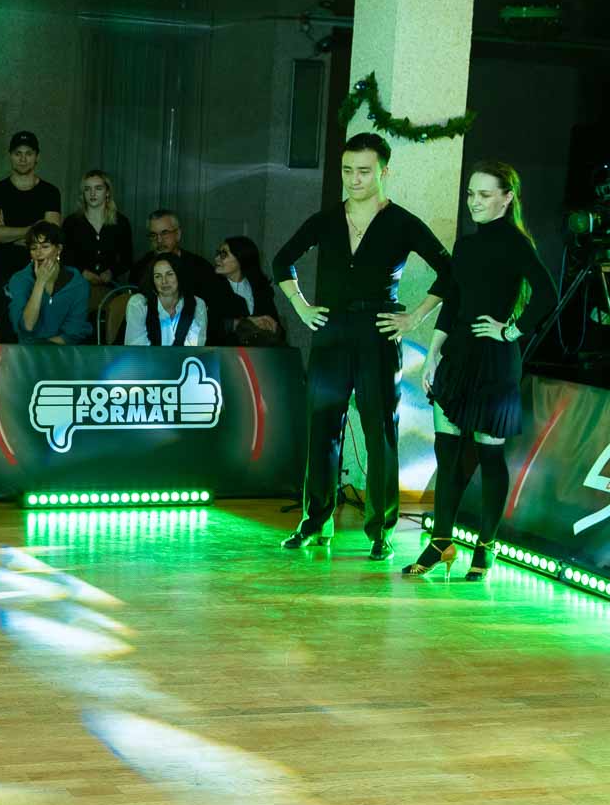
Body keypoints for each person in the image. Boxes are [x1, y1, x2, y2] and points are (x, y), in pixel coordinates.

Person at [273, 132, 454, 560]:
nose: (354, 179)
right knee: (322, 429)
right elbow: (282, 260)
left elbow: (449, 270)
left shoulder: (402, 222)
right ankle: (315, 522)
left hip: (378, 332)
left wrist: (414, 316)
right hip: (331, 330)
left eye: (364, 171)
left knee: (381, 431)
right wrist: (301, 306)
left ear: (383, 171)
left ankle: (381, 530)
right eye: (347, 170)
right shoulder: (326, 219)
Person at [407, 161, 557, 580]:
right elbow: (453, 300)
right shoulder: (466, 245)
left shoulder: (516, 243)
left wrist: (511, 331)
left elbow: (547, 294)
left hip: (494, 362)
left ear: (507, 198)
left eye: (485, 195)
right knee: (447, 452)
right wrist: (433, 353)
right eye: (471, 194)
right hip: (457, 358)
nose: (474, 202)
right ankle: (440, 542)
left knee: (490, 456)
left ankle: (486, 545)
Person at [0, 131, 61, 342]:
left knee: (37, 327)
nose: (23, 158)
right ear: (10, 155)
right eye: (18, 153)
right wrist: (33, 229)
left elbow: (52, 236)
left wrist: (8, 232)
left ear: (37, 157)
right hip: (3, 267)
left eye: (29, 153)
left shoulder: (50, 192)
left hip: (39, 266)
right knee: (2, 329)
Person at [8, 222, 93, 345]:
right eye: (33, 248)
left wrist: (45, 347)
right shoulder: (20, 280)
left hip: (64, 350)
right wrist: (40, 283)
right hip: (28, 351)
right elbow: (27, 327)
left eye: (45, 246)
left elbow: (73, 332)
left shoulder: (78, 284)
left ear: (59, 249)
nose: (38, 253)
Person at [62, 169, 132, 301]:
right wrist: (82, 272)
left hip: (110, 289)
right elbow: (64, 257)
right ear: (83, 193)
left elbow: (127, 259)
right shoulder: (71, 223)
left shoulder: (121, 222)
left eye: (98, 188)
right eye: (87, 189)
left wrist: (111, 272)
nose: (92, 193)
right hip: (76, 287)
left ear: (107, 192)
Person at [208, 235, 284, 345]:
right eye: (218, 253)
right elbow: (207, 325)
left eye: (224, 254)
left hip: (258, 353)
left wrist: (272, 325)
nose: (217, 259)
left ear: (241, 258)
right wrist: (241, 323)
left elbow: (278, 329)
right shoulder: (210, 287)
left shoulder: (261, 289)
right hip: (223, 352)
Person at [129, 209, 216, 298]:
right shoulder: (139, 268)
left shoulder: (201, 268)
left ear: (178, 234)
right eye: (153, 235)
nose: (159, 240)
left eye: (165, 233)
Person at [124, 253, 208, 346]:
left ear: (180, 275)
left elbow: (194, 348)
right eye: (158, 276)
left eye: (170, 274)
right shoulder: (139, 303)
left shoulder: (197, 304)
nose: (164, 281)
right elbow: (136, 347)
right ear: (152, 280)